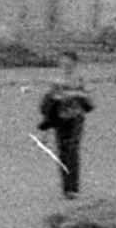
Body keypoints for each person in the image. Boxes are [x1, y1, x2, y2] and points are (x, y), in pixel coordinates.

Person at [36, 58, 95, 199]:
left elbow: (89, 101)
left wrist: (74, 94)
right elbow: (49, 107)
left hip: (76, 118)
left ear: (74, 65)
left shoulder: (80, 80)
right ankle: (66, 188)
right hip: (60, 119)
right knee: (62, 152)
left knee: (72, 150)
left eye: (68, 64)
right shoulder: (55, 81)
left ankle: (73, 188)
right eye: (63, 63)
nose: (65, 66)